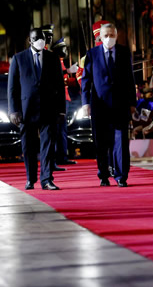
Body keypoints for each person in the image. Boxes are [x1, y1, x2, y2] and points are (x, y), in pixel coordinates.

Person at [7, 28, 66, 190]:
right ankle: (30, 178)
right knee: (29, 146)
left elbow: (60, 86)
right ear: (30, 40)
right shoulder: (19, 59)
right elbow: (12, 88)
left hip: (49, 109)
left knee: (48, 145)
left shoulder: (53, 58)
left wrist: (61, 110)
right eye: (37, 38)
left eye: (43, 38)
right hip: (27, 111)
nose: (41, 41)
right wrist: (14, 110)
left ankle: (47, 179)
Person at [81, 23, 136, 187]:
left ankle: (121, 176)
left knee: (121, 142)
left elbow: (129, 79)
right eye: (106, 35)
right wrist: (85, 103)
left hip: (120, 105)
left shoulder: (124, 52)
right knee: (101, 142)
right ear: (100, 37)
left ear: (116, 36)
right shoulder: (92, 54)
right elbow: (86, 80)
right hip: (100, 105)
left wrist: (132, 103)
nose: (109, 38)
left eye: (112, 35)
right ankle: (103, 175)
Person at [45, 26, 79, 168]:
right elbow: (56, 78)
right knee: (56, 131)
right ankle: (57, 158)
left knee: (62, 130)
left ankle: (61, 156)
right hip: (56, 99)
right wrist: (68, 72)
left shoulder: (56, 59)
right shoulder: (50, 56)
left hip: (63, 98)